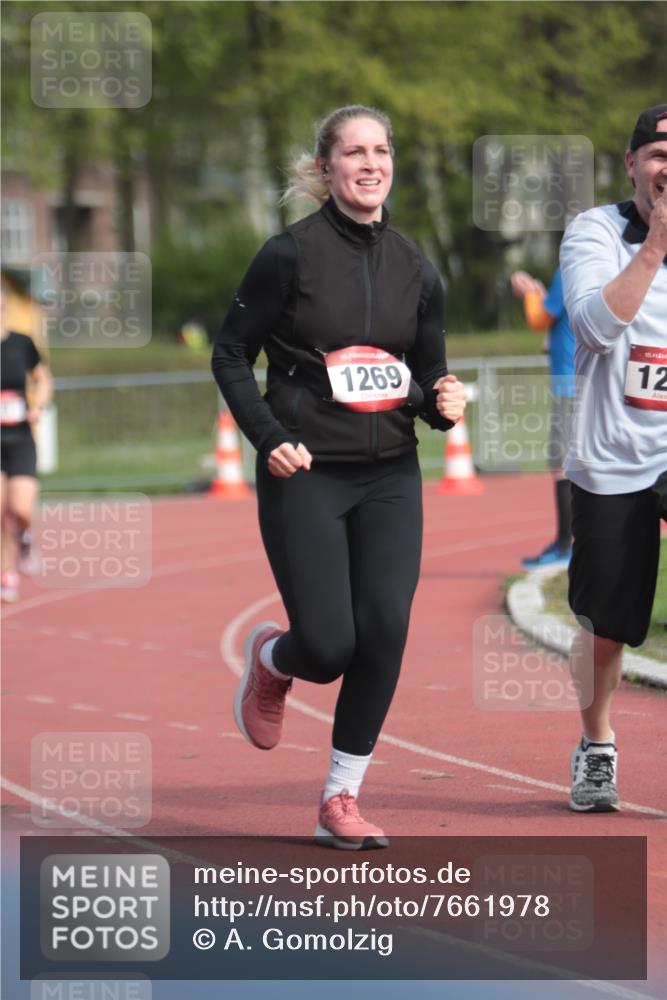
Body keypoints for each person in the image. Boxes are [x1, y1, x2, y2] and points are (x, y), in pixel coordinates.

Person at [211, 105, 466, 849]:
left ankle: (340, 799)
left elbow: (425, 378)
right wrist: (268, 436)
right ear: (325, 168)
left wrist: (443, 405)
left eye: (380, 150)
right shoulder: (286, 256)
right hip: (308, 470)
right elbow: (230, 355)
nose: (369, 163)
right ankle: (271, 659)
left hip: (389, 472)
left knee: (384, 629)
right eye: (352, 152)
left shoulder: (417, 268)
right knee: (326, 646)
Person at [559, 103, 667, 812]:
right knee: (607, 626)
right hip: (614, 455)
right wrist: (655, 243)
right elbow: (594, 329)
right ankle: (596, 742)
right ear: (630, 162)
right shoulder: (594, 231)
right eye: (658, 151)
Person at [510, 265, 575, 567]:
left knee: (562, 465)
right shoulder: (600, 262)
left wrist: (528, 296)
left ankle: (566, 545)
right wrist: (540, 293)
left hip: (570, 381)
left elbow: (539, 319)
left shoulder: (570, 266)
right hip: (590, 378)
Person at [1, 292, 53, 603]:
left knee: (19, 509)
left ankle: (25, 537)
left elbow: (43, 379)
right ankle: (7, 574)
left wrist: (39, 406)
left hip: (20, 438)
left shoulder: (21, 343)